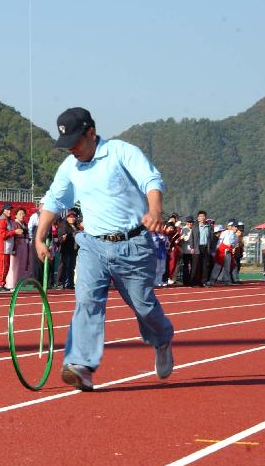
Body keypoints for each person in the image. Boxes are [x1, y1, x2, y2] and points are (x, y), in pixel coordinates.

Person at [35, 107, 174, 391]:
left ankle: (161, 340)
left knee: (144, 307)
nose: (72, 149)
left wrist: (155, 209)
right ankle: (81, 366)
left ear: (91, 133)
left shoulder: (121, 152)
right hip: (93, 246)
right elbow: (54, 199)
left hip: (133, 246)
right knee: (86, 302)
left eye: (76, 141)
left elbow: (151, 180)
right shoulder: (70, 167)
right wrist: (39, 237)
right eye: (67, 144)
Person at [0, 202, 21, 291]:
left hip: (7, 248)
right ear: (4, 210)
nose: (10, 211)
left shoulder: (9, 220)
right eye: (8, 209)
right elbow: (3, 235)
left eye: (10, 209)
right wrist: (15, 232)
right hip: (2, 248)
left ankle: (2, 284)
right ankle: (0, 285)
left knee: (6, 266)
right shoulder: (2, 221)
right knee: (2, 267)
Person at [5, 206, 31, 289]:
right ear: (15, 215)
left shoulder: (25, 224)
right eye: (20, 214)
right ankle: (10, 284)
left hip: (25, 246)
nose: (22, 215)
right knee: (14, 266)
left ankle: (18, 284)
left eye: (23, 214)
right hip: (16, 247)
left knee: (22, 265)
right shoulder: (14, 224)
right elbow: (10, 234)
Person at [190, 210, 215, 286]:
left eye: (203, 216)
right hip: (197, 247)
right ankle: (193, 282)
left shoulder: (209, 226)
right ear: (198, 218)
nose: (202, 218)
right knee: (196, 265)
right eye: (200, 216)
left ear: (206, 217)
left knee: (205, 265)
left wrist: (211, 248)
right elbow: (192, 238)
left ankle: (204, 282)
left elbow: (211, 238)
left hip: (206, 248)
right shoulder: (195, 227)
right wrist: (192, 247)